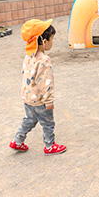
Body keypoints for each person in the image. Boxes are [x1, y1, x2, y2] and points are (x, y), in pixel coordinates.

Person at [9, 19, 66, 155]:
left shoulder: (28, 57)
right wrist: (49, 100)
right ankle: (49, 145)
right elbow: (46, 82)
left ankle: (17, 140)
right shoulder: (44, 60)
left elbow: (25, 75)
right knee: (48, 124)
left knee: (29, 119)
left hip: (28, 97)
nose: (52, 43)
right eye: (52, 39)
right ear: (43, 41)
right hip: (40, 100)